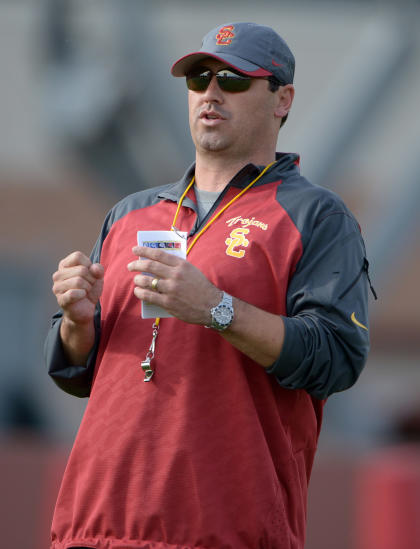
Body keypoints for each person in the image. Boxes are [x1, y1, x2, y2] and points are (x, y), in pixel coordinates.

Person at [45, 21, 374, 549]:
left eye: (234, 79)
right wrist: (78, 324)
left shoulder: (316, 216)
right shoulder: (131, 212)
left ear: (281, 99)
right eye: (199, 79)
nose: (211, 92)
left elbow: (336, 357)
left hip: (224, 531)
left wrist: (216, 308)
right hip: (94, 526)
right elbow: (79, 372)